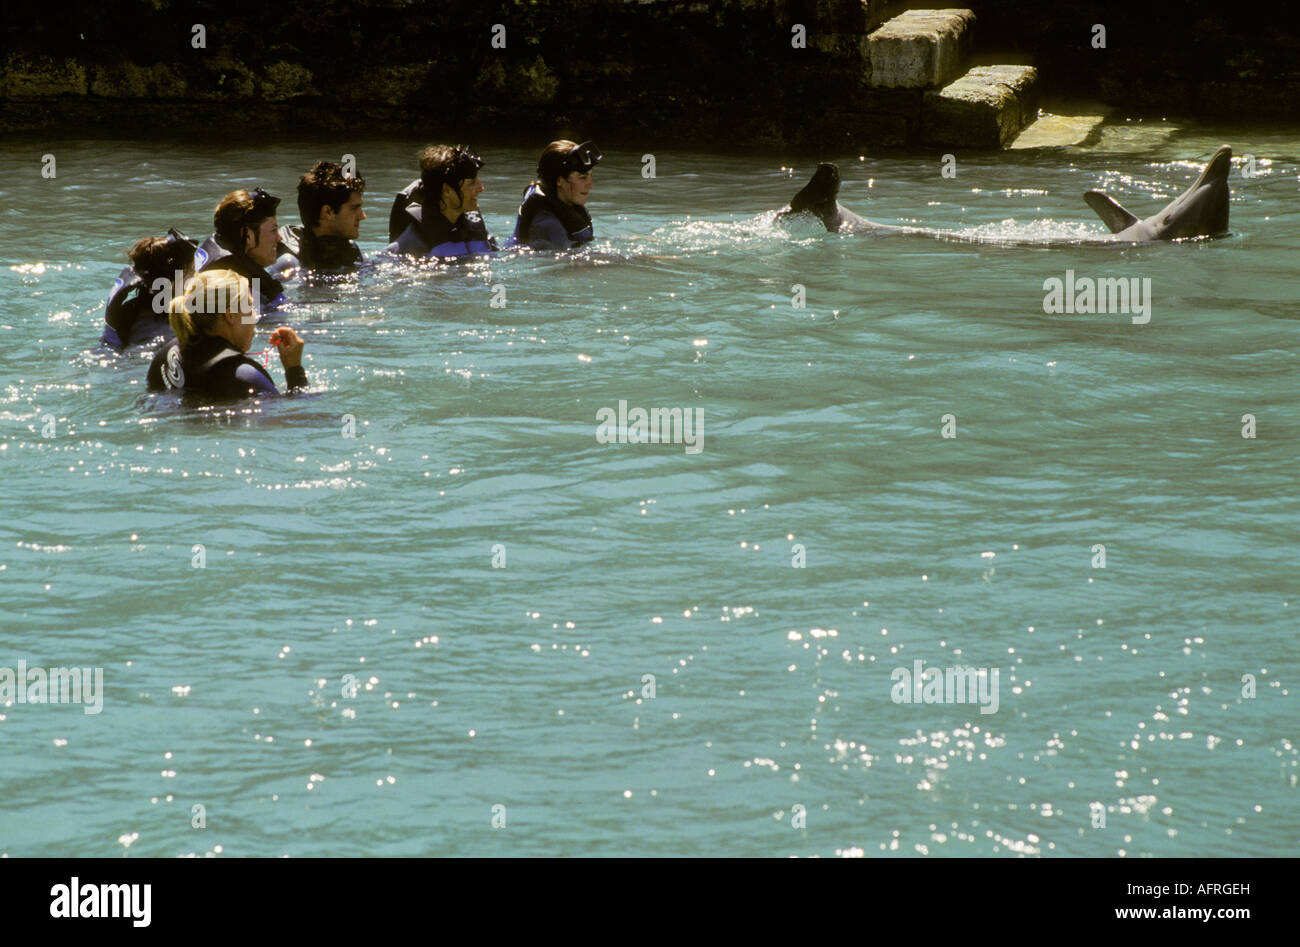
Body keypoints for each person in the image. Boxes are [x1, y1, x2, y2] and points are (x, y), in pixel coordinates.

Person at [146, 269, 307, 399]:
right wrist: (294, 371)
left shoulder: (167, 354)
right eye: (250, 307)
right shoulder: (245, 376)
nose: (255, 316)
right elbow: (293, 422)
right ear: (230, 316)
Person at [386, 144, 497, 259]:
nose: (481, 188)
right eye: (472, 183)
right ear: (447, 190)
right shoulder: (412, 242)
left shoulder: (473, 229)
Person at [101, 228, 198, 349]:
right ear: (173, 281)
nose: (196, 278)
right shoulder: (165, 332)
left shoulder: (130, 309)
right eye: (192, 271)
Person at [194, 188, 287, 309]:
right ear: (247, 235)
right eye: (273, 230)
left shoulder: (216, 255)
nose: (279, 238)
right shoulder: (239, 292)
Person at [277, 160, 366, 274]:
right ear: (328, 212)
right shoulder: (288, 263)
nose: (363, 216)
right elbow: (256, 287)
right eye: (354, 208)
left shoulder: (351, 250)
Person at [511, 140, 601, 250]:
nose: (590, 185)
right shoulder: (548, 225)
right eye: (582, 178)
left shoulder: (560, 204)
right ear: (559, 181)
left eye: (590, 176)